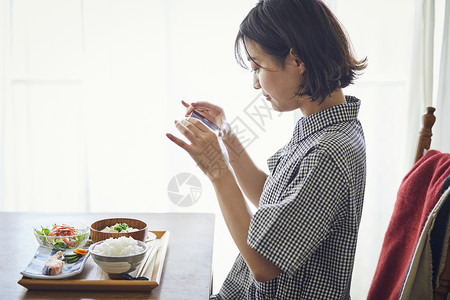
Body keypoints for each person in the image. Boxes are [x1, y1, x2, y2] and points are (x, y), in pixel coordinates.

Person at [166, 0, 367, 298]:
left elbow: (265, 264)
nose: (256, 85)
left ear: (297, 60)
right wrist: (226, 135)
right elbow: (270, 199)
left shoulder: (328, 151)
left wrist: (218, 172)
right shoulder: (325, 127)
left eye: (257, 66)